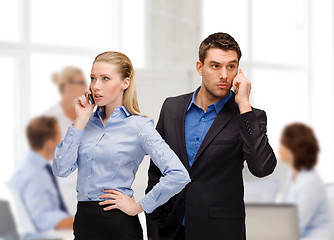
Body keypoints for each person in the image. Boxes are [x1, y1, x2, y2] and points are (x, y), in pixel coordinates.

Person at [145, 32, 277, 240]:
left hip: (220, 232)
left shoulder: (248, 116)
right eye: (215, 66)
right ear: (200, 67)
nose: (224, 75)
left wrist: (243, 104)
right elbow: (156, 173)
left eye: (231, 67)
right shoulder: (172, 107)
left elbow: (262, 168)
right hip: (171, 231)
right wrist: (153, 231)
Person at [52, 51, 191, 240]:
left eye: (105, 79)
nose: (96, 86)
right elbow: (61, 169)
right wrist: (80, 120)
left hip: (119, 226)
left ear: (125, 83)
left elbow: (179, 175)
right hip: (84, 223)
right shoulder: (84, 125)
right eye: (93, 78)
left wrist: (138, 206)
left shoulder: (139, 126)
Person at [10, 116, 73, 232]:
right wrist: (80, 223)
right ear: (49, 143)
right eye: (58, 136)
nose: (61, 140)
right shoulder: (35, 174)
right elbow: (42, 217)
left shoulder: (30, 167)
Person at [45, 66, 87, 215]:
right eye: (81, 82)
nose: (86, 87)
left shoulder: (87, 115)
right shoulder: (50, 118)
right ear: (68, 86)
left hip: (85, 193)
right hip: (59, 193)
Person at [279, 123, 332, 240]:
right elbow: (283, 213)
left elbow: (296, 225)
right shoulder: (292, 174)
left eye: (283, 144)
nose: (279, 149)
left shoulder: (309, 182)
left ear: (292, 149)